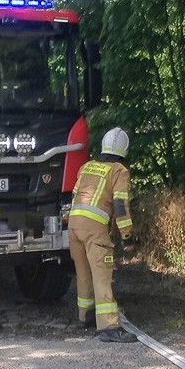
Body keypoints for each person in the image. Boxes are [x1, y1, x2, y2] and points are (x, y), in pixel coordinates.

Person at [67, 127, 138, 343]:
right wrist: (127, 236)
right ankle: (108, 326)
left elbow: (74, 194)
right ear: (124, 150)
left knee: (83, 272)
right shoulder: (119, 171)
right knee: (102, 275)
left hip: (73, 225)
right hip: (94, 229)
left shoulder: (87, 167)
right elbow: (120, 205)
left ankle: (85, 316)